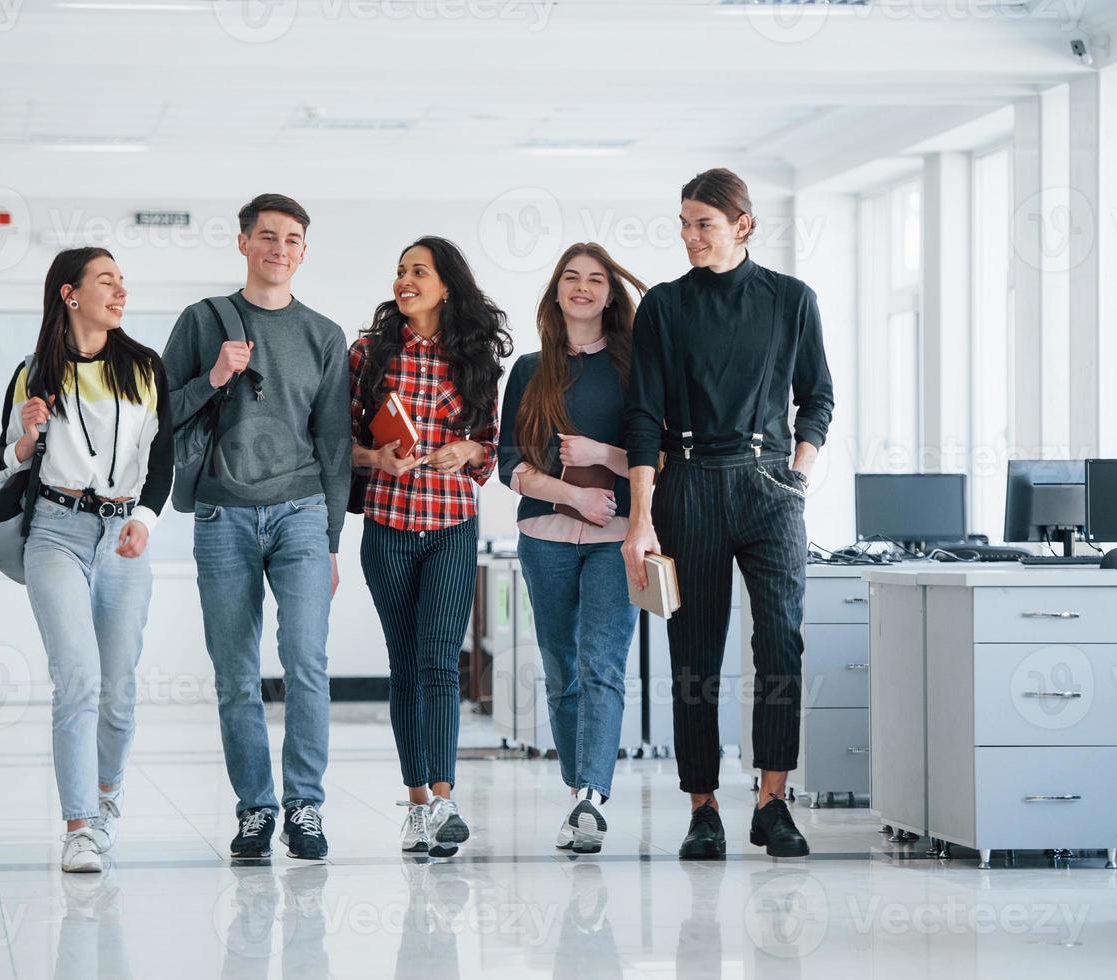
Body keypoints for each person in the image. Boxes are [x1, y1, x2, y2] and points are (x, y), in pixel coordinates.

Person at [621, 168, 835, 859]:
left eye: (703, 224)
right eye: (683, 223)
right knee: (696, 654)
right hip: (688, 484)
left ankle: (773, 801)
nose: (689, 237)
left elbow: (819, 399)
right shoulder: (663, 306)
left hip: (771, 488)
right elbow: (644, 416)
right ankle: (703, 806)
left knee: (780, 644)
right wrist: (641, 517)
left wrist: (797, 478)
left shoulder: (792, 300)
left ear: (742, 225)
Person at [161, 194, 353, 860]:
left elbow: (333, 442)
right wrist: (214, 376)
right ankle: (255, 810)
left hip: (301, 513)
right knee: (235, 673)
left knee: (307, 661)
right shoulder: (202, 321)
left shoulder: (325, 335)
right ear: (243, 243)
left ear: (304, 251)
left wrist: (330, 542)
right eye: (267, 236)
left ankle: (304, 805)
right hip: (222, 515)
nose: (279, 248)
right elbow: (162, 416)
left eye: (292, 239)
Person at [0, 246, 173, 873]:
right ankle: (78, 826)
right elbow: (3, 458)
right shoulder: (34, 371)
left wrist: (144, 523)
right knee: (77, 679)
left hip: (124, 530)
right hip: (56, 533)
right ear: (70, 294)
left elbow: (162, 461)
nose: (120, 292)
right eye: (106, 281)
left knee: (118, 691)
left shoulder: (145, 367)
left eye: (123, 281)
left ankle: (105, 796)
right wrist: (28, 434)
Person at [349, 236, 510, 858]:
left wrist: (468, 450)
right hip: (388, 524)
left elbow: (490, 447)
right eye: (400, 271)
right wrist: (375, 458)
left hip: (450, 525)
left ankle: (443, 801)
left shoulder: (474, 358)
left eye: (419, 271)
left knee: (442, 662)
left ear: (447, 286)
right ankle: (416, 803)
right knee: (406, 666)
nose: (405, 280)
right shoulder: (368, 353)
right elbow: (340, 445)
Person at [498, 243, 646, 854]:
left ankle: (591, 795)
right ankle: (575, 788)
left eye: (595, 280)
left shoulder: (636, 367)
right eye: (571, 278)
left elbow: (656, 456)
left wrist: (599, 456)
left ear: (611, 294)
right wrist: (571, 493)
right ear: (557, 291)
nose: (582, 288)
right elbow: (510, 460)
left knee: (601, 662)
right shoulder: (531, 369)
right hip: (545, 537)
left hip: (619, 538)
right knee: (561, 667)